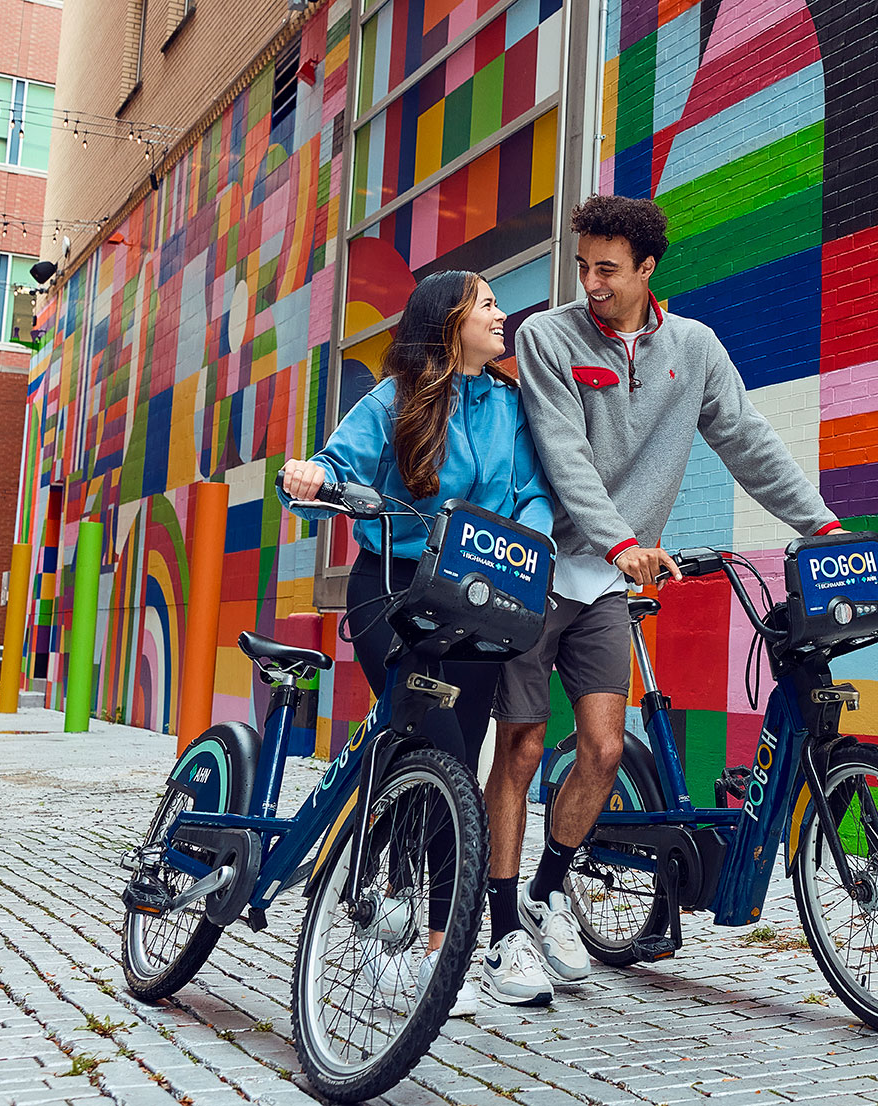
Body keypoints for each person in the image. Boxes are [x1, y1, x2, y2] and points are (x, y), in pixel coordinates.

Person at [486, 195, 842, 985]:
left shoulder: (695, 349)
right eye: (583, 266)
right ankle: (503, 926)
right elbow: (564, 451)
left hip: (604, 581)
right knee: (522, 747)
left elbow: (746, 438)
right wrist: (622, 540)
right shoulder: (549, 337)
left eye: (607, 269)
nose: (591, 283)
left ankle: (547, 897)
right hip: (536, 568)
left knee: (607, 749)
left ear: (648, 270)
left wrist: (819, 526)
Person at [278, 269, 557, 1013]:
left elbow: (532, 488)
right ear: (449, 319)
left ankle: (421, 929)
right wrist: (310, 478)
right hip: (393, 590)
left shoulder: (508, 404)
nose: (503, 316)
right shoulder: (394, 398)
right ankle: (422, 942)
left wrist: (525, 535)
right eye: (489, 304)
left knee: (455, 767)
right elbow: (333, 469)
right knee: (433, 746)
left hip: (475, 594)